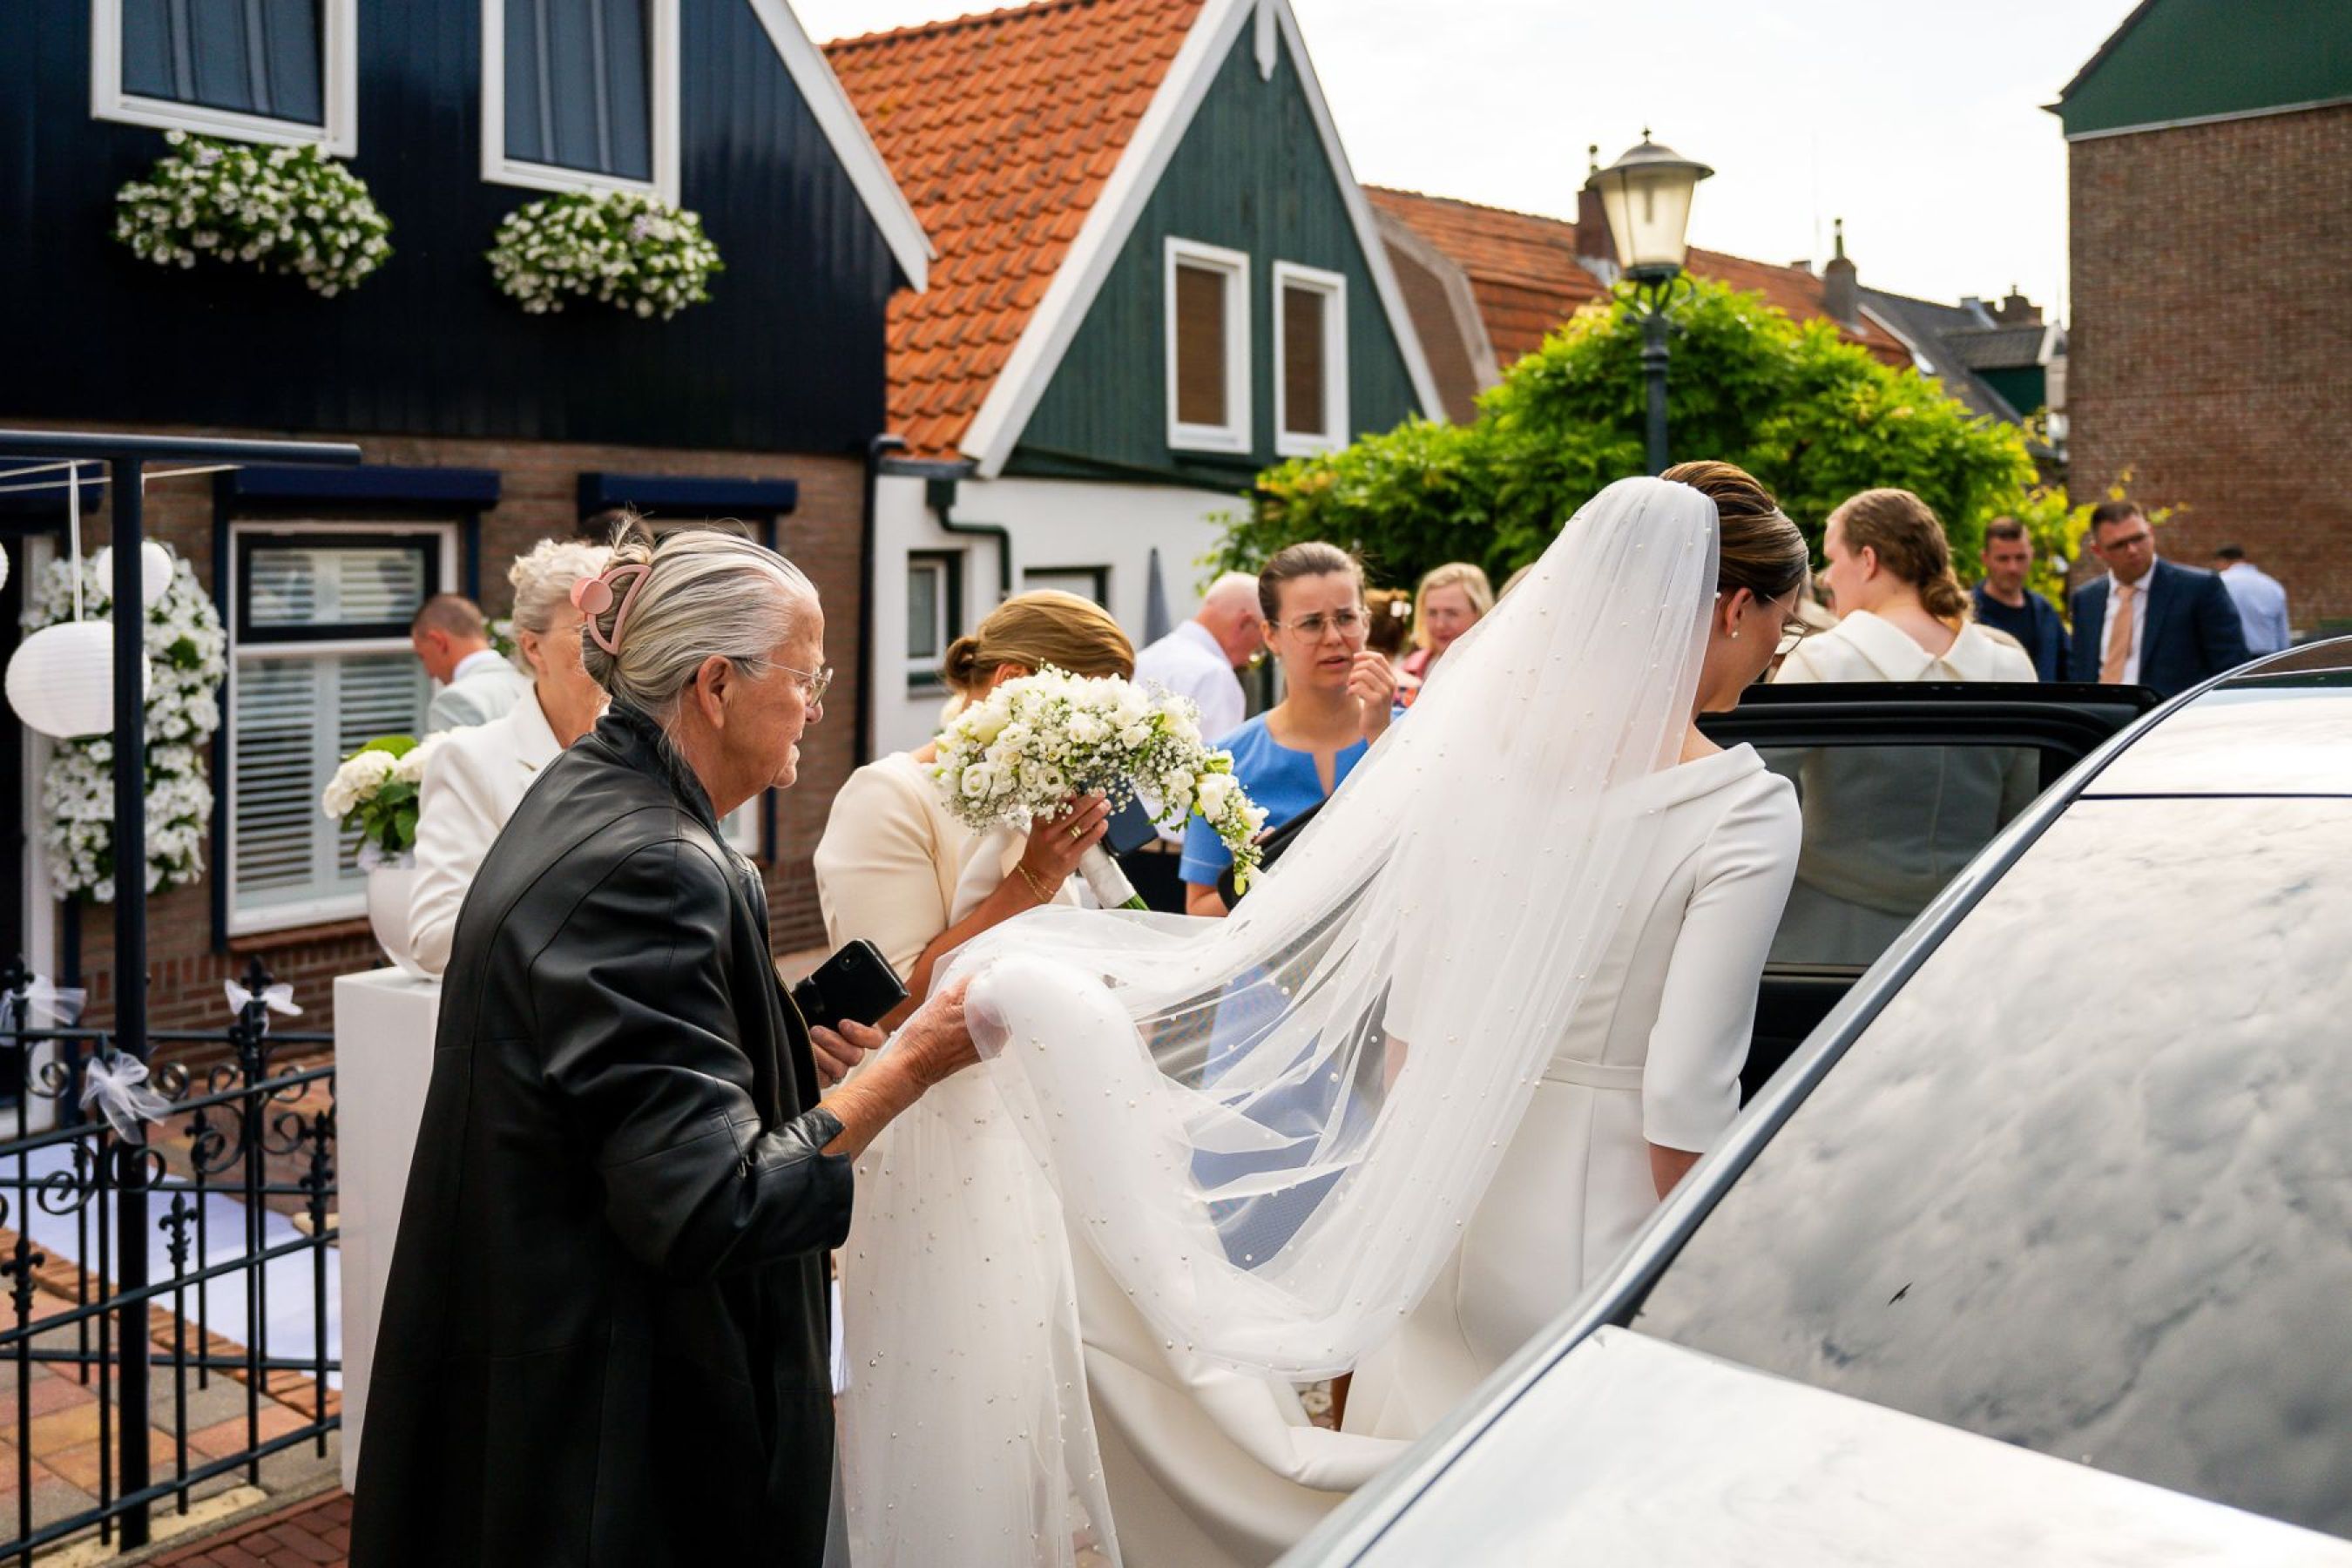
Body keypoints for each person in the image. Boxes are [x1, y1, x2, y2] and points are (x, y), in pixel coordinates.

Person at [841, 471, 1808, 1564]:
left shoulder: (1483, 770)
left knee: (1417, 1522)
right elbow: (1685, 1094)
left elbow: (1407, 1038)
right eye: (1778, 624)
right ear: (1732, 607)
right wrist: (1717, 1287)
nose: (1775, 655)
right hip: (1600, 1234)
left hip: (1442, 1218)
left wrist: (1408, 1202)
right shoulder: (1740, 804)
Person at [350, 525, 983, 1568]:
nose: (818, 705)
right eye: (807, 674)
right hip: (612, 1440)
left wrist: (777, 1046)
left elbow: (624, 1086)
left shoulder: (586, 793)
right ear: (716, 684)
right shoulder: (656, 865)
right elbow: (712, 1204)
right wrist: (910, 1062)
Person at [813, 591, 1134, 1025]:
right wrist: (1035, 877)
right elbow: (894, 1007)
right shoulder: (886, 796)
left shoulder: (1032, 795)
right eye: (1083, 714)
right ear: (1011, 681)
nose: (1091, 739)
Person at [1773, 488, 2039, 967]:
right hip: (1968, 937)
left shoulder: (1819, 663)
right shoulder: (2009, 667)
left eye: (1833, 559)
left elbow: (1766, 809)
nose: (1827, 578)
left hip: (1824, 942)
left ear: (1869, 560)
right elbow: (2026, 811)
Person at [407, 539, 611, 977]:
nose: (609, 645)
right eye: (585, 629)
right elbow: (434, 939)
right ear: (533, 648)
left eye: (618, 627)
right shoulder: (469, 762)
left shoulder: (658, 751)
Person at [1181, 544, 1396, 917]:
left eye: (1345, 618)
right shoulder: (1225, 763)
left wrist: (1383, 740)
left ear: (1366, 622)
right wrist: (1261, 879)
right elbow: (1197, 911)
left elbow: (1441, 861)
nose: (1333, 638)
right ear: (1270, 635)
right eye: (1311, 623)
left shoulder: (1414, 732)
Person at [2065, 501, 2250, 697]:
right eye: (2119, 545)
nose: (2132, 550)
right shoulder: (2086, 600)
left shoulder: (2199, 589)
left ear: (2151, 532)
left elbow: (2231, 669)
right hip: (2099, 719)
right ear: (2098, 551)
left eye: (2138, 538)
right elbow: (2080, 671)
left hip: (2171, 720)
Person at [1133, 571, 1262, 743]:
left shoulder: (1143, 659)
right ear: (1244, 623)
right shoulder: (1216, 676)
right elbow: (1220, 762)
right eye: (1259, 648)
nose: (1250, 660)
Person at [410, 592, 535, 732]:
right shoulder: (529, 686)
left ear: (439, 642)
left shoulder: (454, 701)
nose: (429, 673)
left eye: (423, 656)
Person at [1970, 517, 2070, 680]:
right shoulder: (1969, 614)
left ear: (2031, 555)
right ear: (1985, 559)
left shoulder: (2045, 613)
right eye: (2003, 559)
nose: (2013, 568)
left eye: (2020, 557)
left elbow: (2068, 673)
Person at [1397, 560, 1491, 689]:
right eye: (1432, 613)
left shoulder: (1496, 671)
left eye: (1452, 613)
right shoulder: (1408, 670)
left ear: (1479, 613)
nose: (1440, 625)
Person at [2214, 543, 2292, 656]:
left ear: (2221, 561)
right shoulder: (2271, 584)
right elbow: (2282, 629)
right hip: (2267, 656)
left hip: (2232, 655)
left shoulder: (2220, 583)